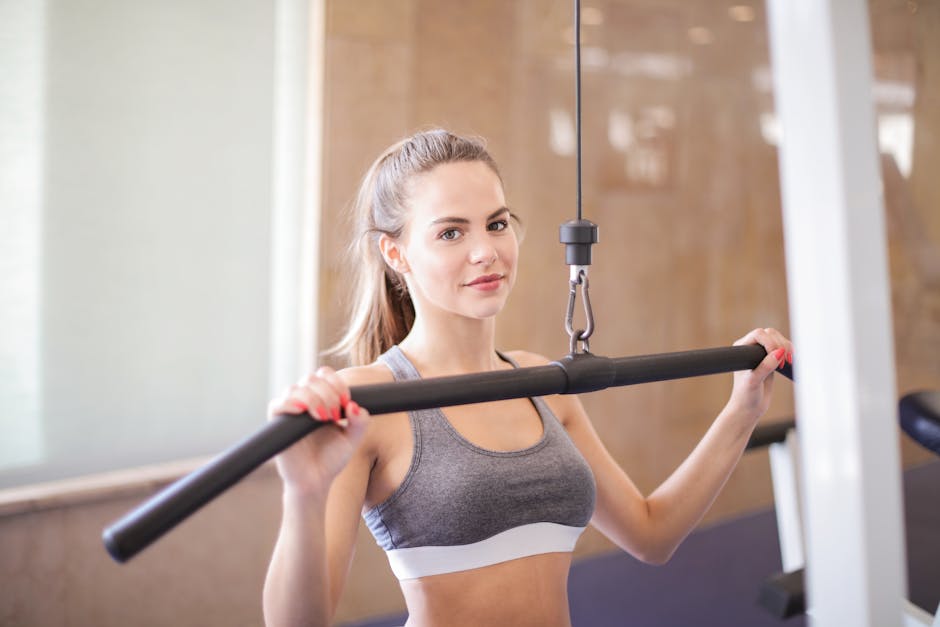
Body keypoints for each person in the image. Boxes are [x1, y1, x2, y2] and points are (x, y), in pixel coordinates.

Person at [262, 129, 793, 627]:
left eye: (496, 224)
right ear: (396, 253)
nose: (486, 251)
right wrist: (303, 494)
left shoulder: (543, 383)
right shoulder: (372, 399)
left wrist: (742, 411)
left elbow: (651, 534)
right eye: (451, 232)